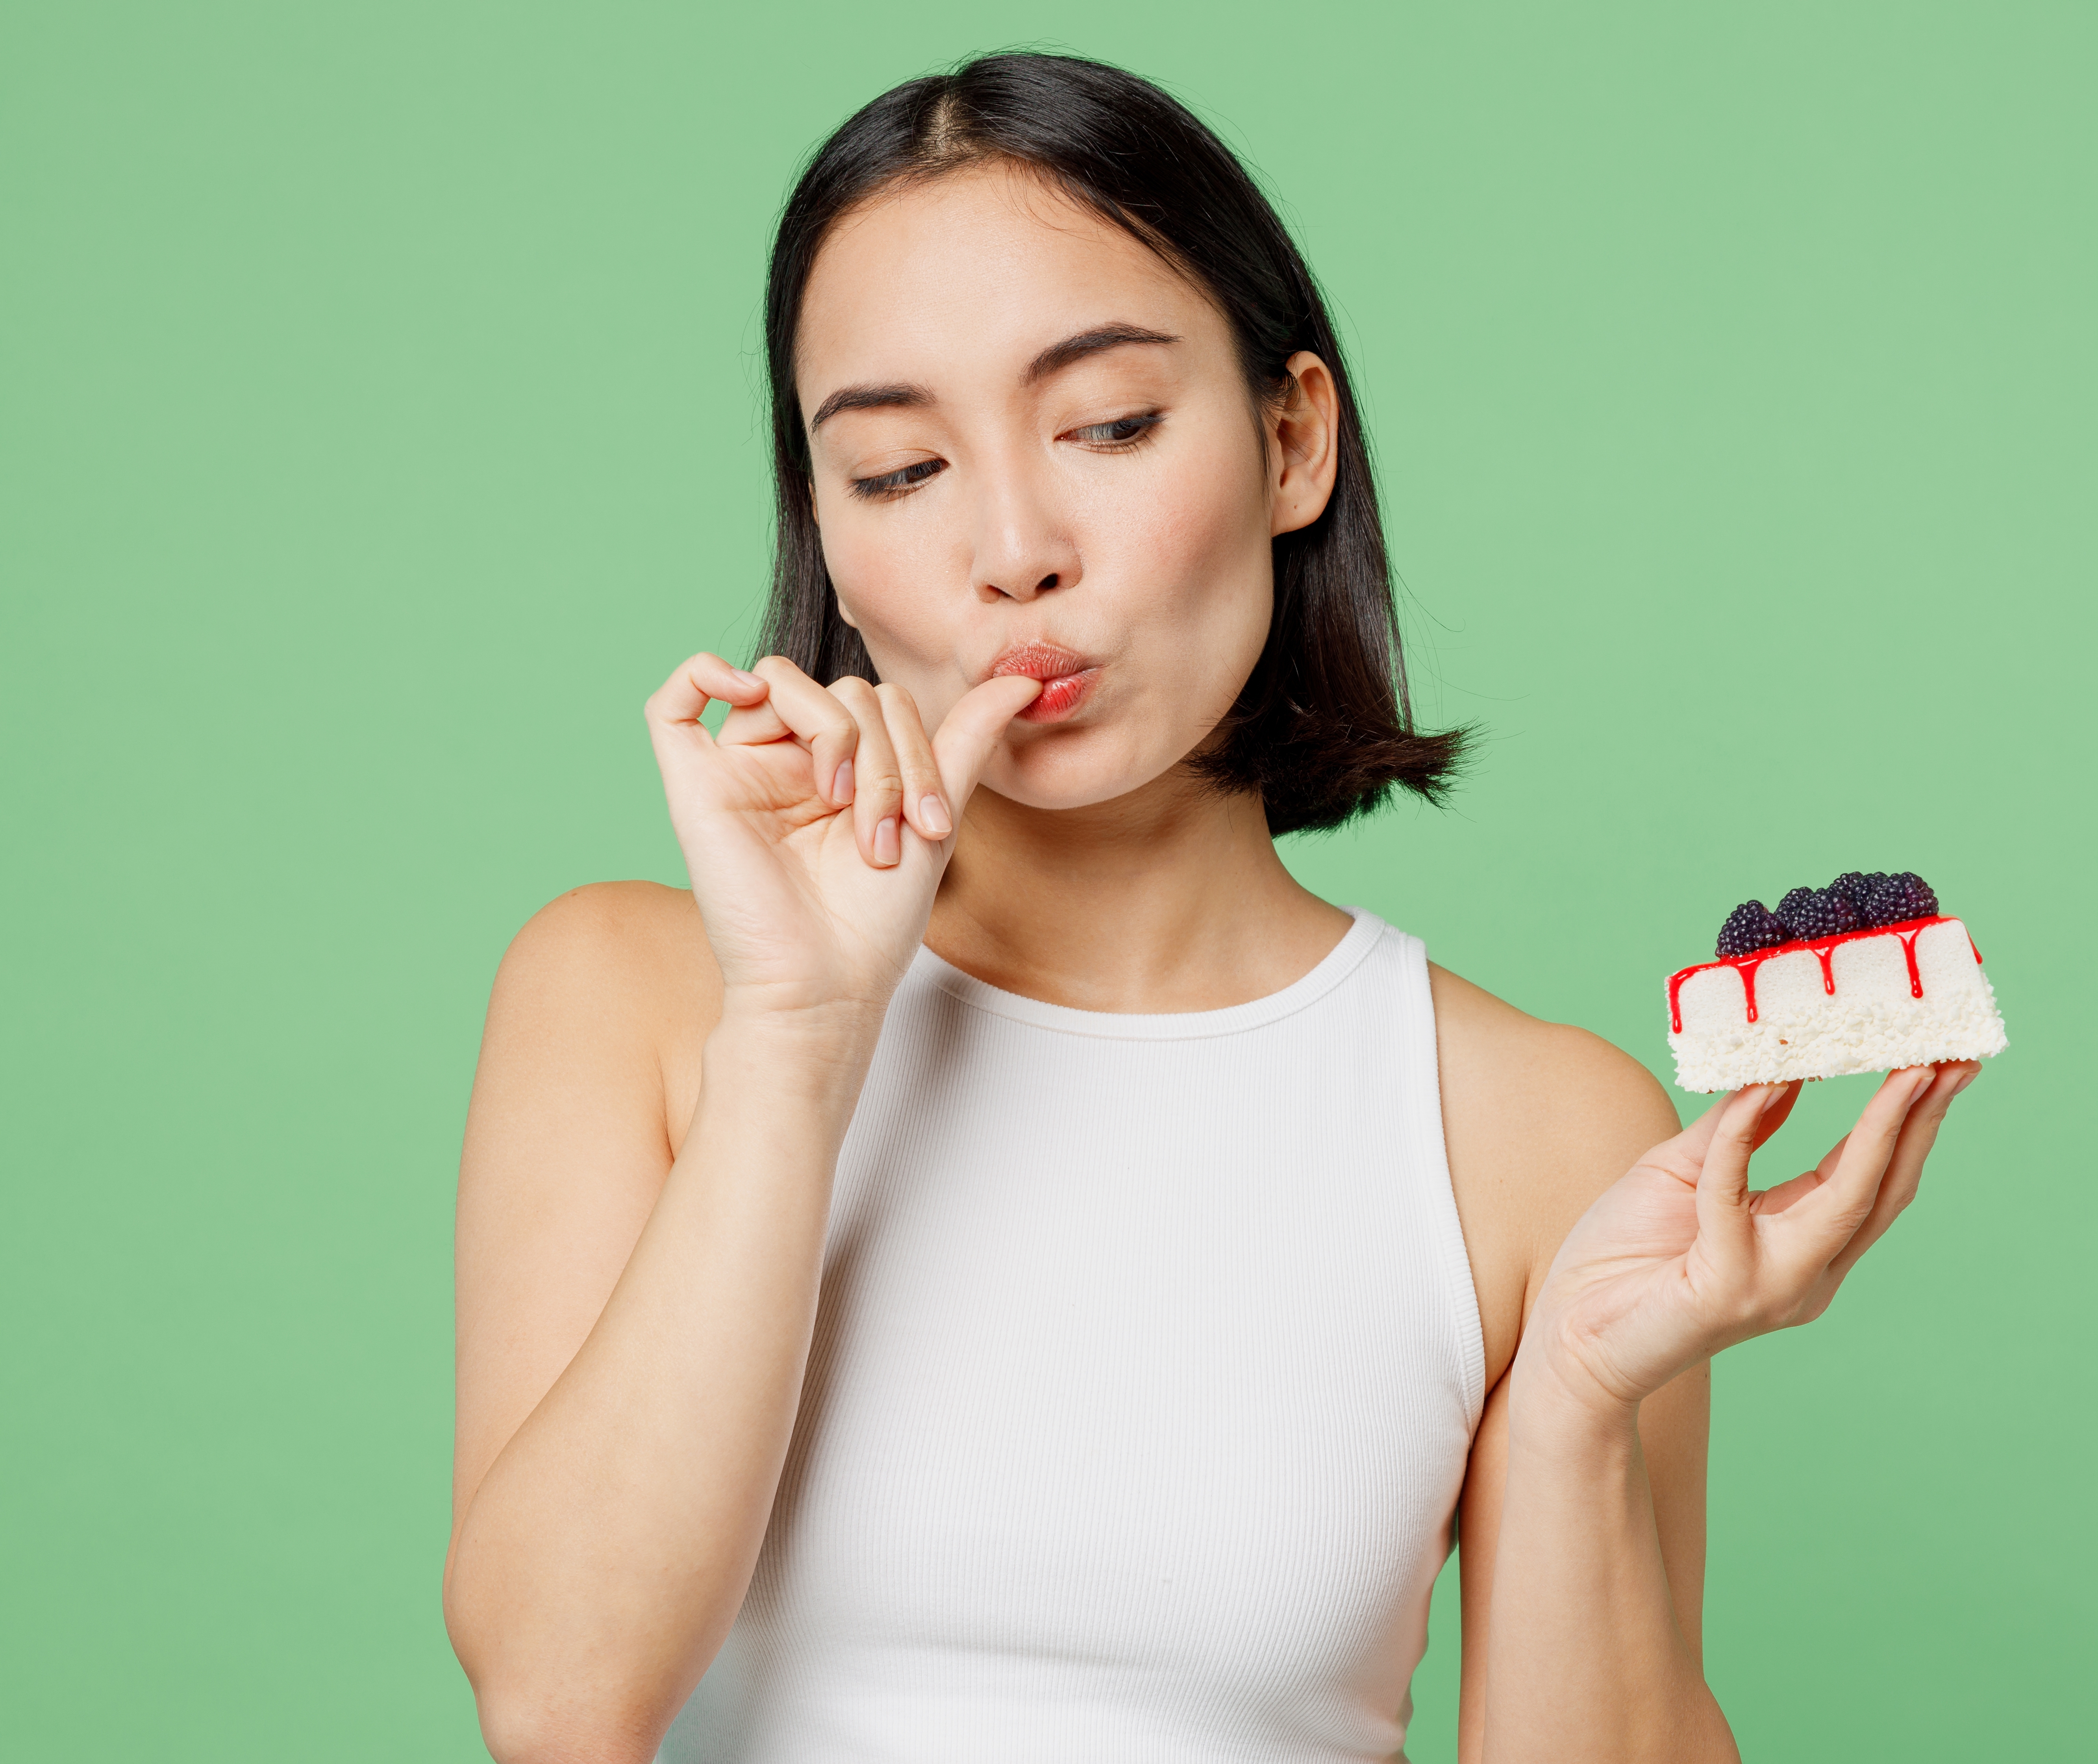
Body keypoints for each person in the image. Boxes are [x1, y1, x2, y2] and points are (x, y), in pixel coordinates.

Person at [442, 51, 1976, 1764]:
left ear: (1291, 439)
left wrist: (1574, 1407)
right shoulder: (634, 999)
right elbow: (561, 1704)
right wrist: (800, 1039)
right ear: (828, 528)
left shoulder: (1538, 1127)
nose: (1014, 547)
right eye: (896, 471)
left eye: (1105, 426)